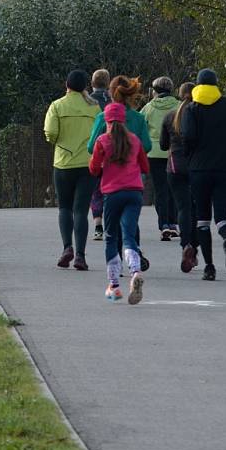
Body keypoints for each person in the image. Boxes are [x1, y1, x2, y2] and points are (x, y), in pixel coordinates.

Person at [181, 68, 226, 281]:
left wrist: (190, 156)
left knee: (202, 219)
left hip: (199, 169)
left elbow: (188, 136)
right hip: (225, 168)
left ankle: (209, 267)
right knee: (222, 216)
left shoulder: (192, 109)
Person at [88, 75, 153, 270]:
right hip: (134, 175)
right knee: (130, 220)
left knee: (112, 223)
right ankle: (135, 252)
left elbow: (92, 146)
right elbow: (147, 145)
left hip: (110, 178)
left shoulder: (103, 117)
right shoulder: (139, 118)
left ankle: (116, 264)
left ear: (110, 92)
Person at [89, 102, 149, 304]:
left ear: (106, 121)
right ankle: (135, 271)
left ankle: (114, 285)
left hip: (112, 193)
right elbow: (145, 167)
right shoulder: (134, 140)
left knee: (111, 237)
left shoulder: (103, 141)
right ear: (124, 120)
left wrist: (104, 168)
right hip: (134, 193)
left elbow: (94, 168)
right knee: (129, 236)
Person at [44, 69, 100, 271]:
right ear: (85, 86)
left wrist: (59, 141)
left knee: (65, 208)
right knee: (81, 210)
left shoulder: (57, 106)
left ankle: (67, 247)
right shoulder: (94, 108)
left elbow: (50, 133)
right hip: (87, 163)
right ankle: (80, 256)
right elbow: (101, 132)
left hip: (63, 163)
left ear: (66, 85)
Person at [160, 81, 206, 273]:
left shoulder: (170, 116)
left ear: (179, 95)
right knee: (197, 209)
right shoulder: (200, 116)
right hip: (197, 167)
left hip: (175, 167)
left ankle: (185, 245)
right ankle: (194, 247)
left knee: (183, 207)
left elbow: (163, 145)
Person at [140, 76, 180, 240]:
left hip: (154, 153)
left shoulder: (148, 108)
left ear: (154, 91)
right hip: (173, 152)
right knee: (174, 188)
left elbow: (142, 126)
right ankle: (174, 223)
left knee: (160, 189)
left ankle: (163, 224)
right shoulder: (178, 106)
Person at [89, 69, 112, 240]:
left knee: (96, 190)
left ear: (92, 83)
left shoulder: (88, 101)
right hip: (114, 150)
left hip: (97, 150)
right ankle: (112, 223)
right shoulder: (112, 101)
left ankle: (98, 224)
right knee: (111, 189)